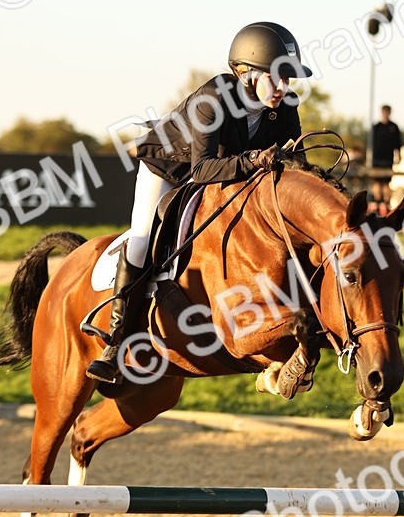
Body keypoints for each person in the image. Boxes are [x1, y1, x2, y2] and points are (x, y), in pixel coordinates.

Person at [87, 21, 312, 385]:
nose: (284, 88)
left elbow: (292, 163)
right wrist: (255, 160)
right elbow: (203, 168)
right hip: (169, 169)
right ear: (246, 73)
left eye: (289, 79)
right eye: (277, 77)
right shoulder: (215, 97)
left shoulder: (285, 107)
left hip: (223, 172)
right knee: (143, 239)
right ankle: (116, 341)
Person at [369, 105, 402, 212]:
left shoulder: (394, 127)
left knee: (386, 183)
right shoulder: (376, 127)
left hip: (388, 159)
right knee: (377, 182)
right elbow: (371, 144)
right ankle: (378, 204)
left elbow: (398, 144)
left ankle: (386, 204)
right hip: (376, 159)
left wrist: (398, 155)